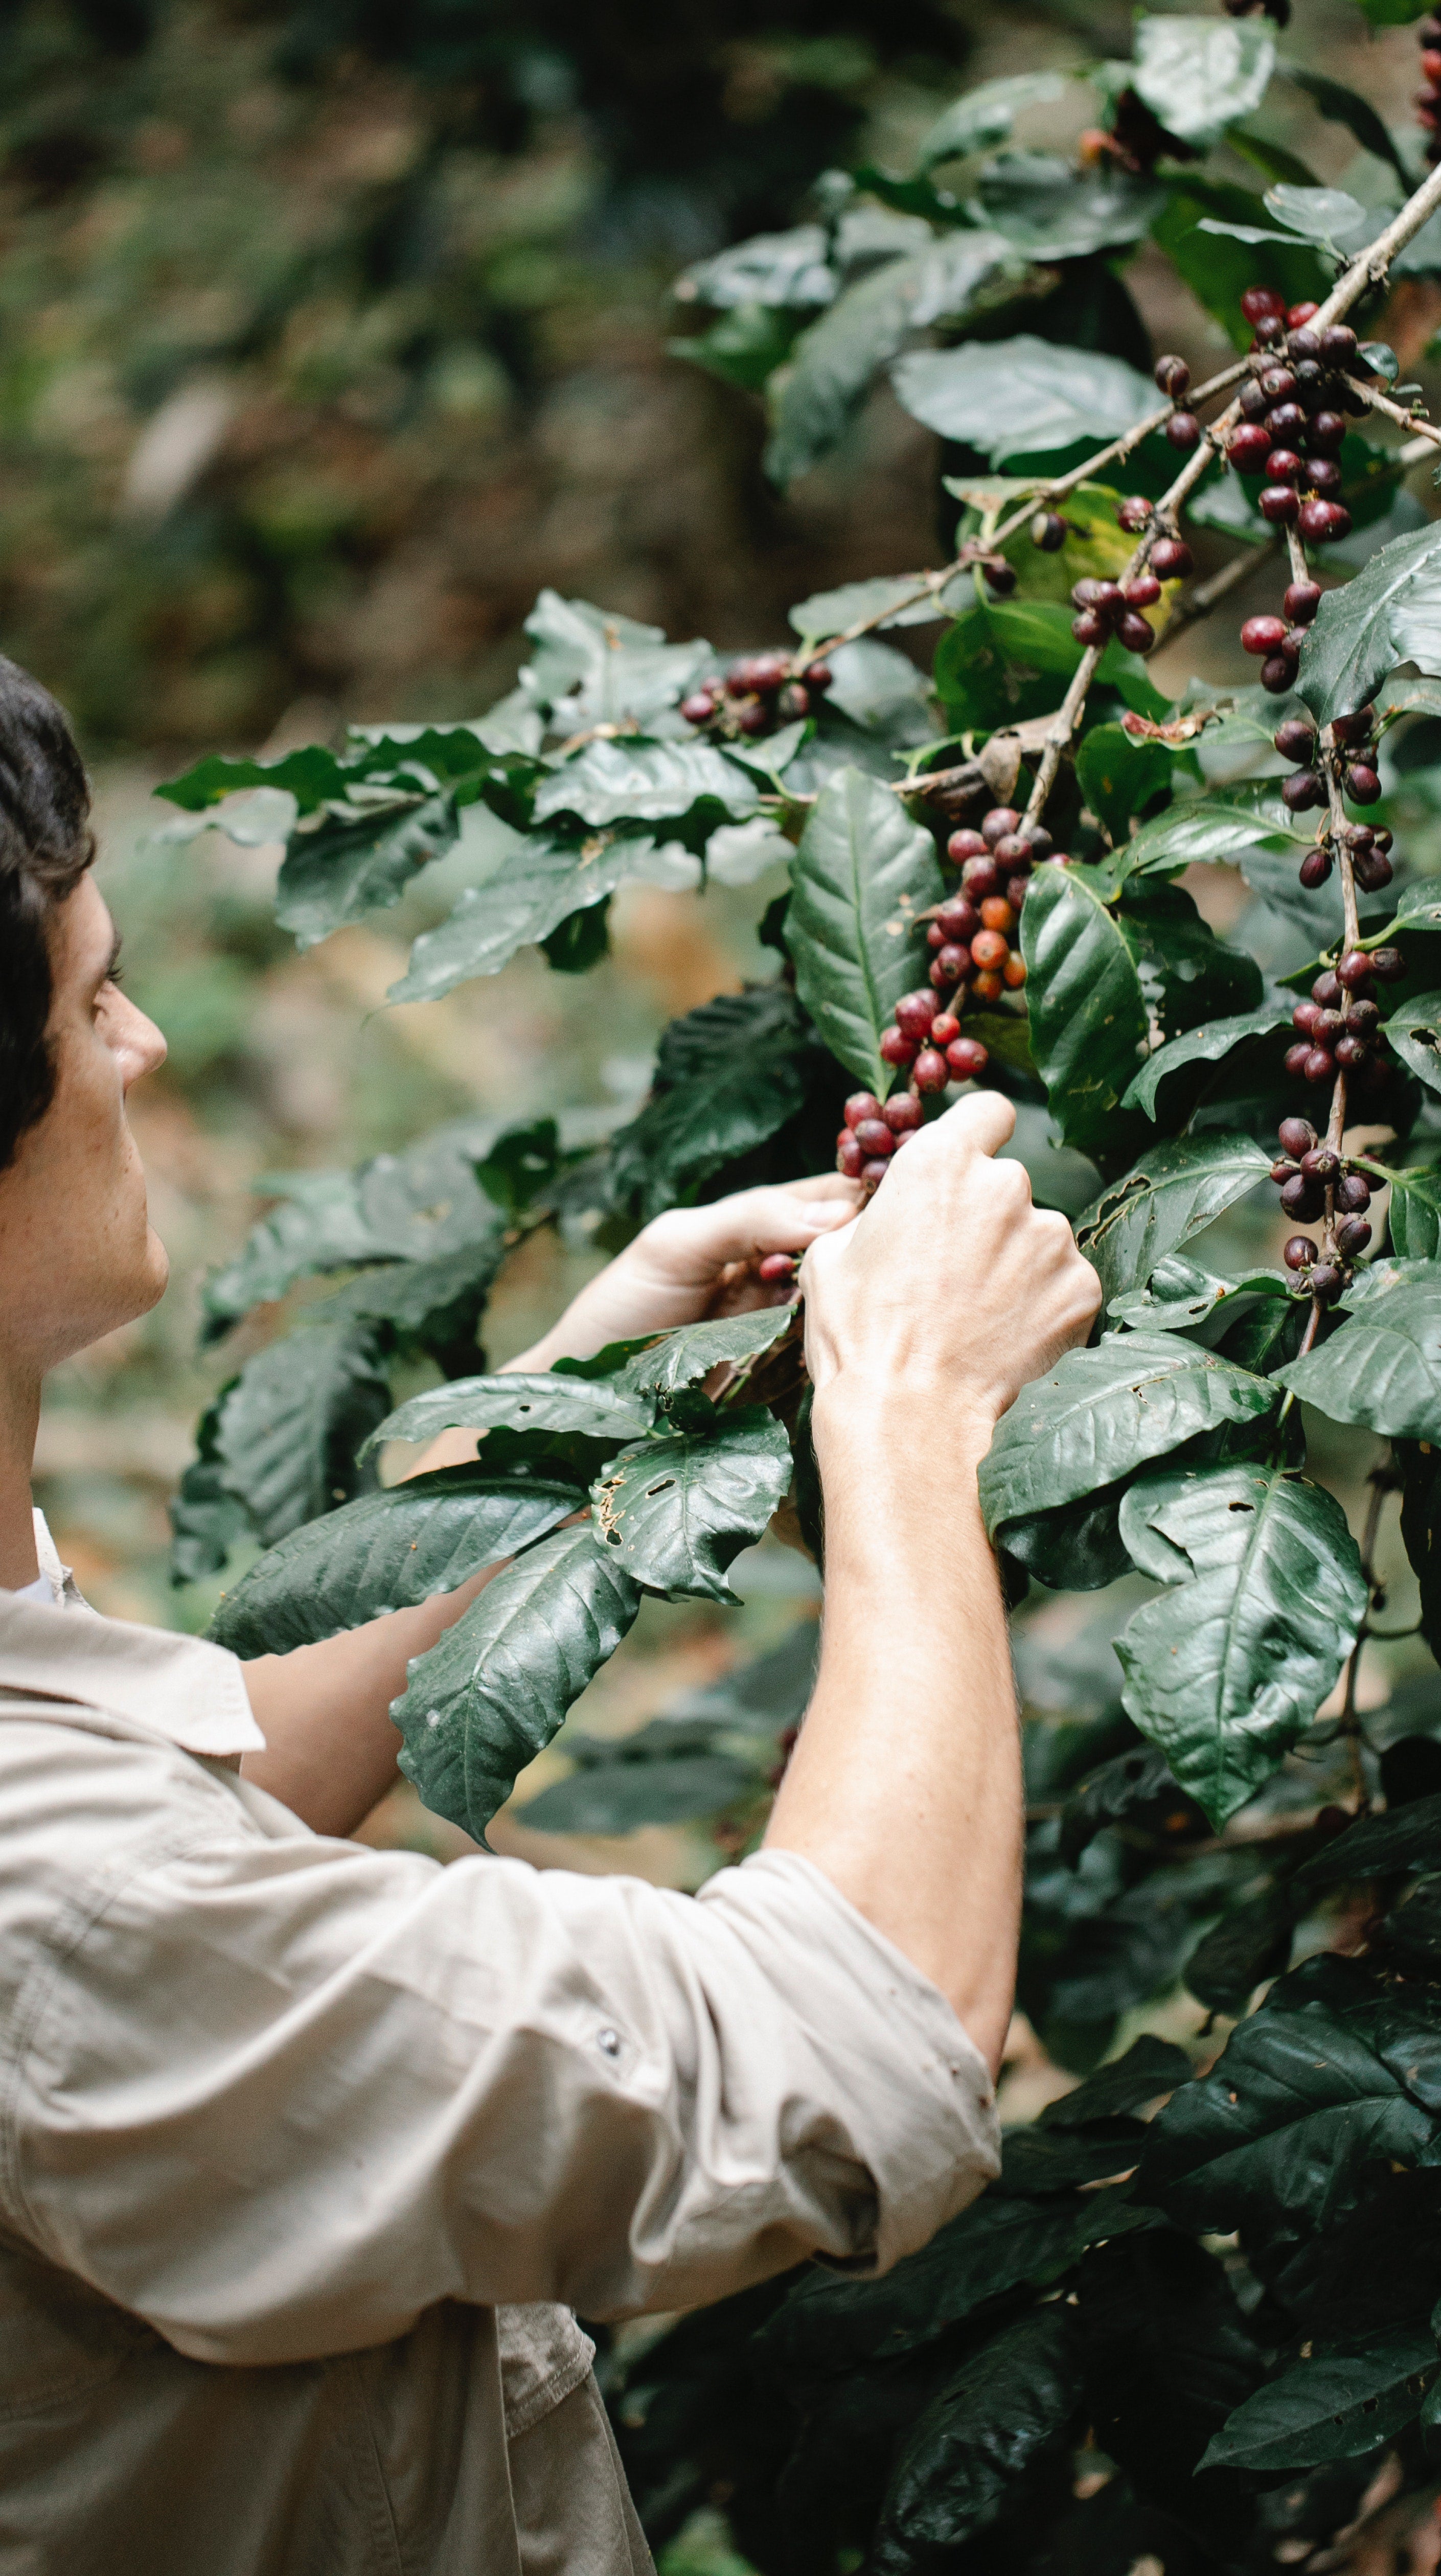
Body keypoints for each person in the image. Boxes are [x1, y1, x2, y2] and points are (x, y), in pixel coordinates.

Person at [0, 655, 1102, 2574]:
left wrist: (590, 1402)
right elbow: (854, 2061)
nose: (146, 1042)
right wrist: (910, 1407)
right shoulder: (56, 1913)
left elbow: (195, 1826)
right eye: (93, 994)